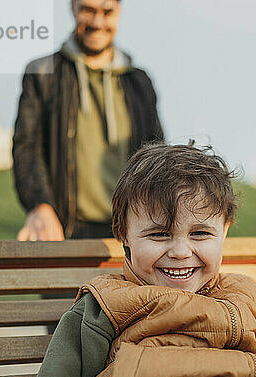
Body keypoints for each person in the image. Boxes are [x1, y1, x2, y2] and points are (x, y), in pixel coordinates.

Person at [27, 144, 256, 377]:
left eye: (200, 234)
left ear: (224, 232)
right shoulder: (106, 303)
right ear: (124, 236)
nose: (180, 251)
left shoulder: (247, 298)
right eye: (159, 234)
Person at [13, 0, 164, 241]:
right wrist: (39, 204)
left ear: (119, 13)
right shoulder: (41, 73)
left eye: (107, 12)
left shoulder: (140, 83)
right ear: (72, 9)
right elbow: (26, 147)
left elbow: (156, 156)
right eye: (88, 10)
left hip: (128, 234)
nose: (97, 22)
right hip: (64, 231)